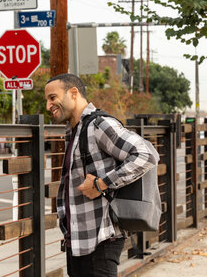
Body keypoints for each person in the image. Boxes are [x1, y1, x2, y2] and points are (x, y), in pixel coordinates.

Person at [45, 73, 159, 277]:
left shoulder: (98, 125)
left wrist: (101, 184)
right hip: (79, 239)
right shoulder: (74, 131)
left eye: (52, 97)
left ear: (73, 93)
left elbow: (146, 155)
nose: (48, 105)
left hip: (101, 238)